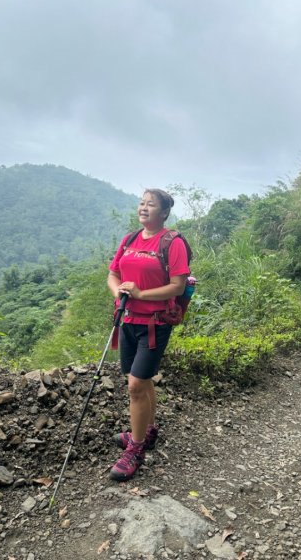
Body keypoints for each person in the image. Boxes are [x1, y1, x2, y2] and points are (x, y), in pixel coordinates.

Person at [107, 188, 189, 481]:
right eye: (142, 203)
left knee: (134, 386)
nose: (143, 208)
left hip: (154, 324)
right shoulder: (129, 239)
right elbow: (113, 273)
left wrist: (141, 293)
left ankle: (136, 448)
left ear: (163, 212)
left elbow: (177, 286)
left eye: (150, 204)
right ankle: (149, 431)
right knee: (141, 382)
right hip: (128, 321)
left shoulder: (172, 242)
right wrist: (120, 293)